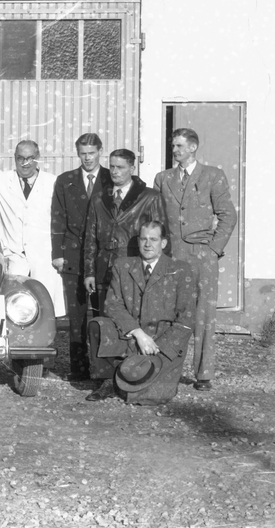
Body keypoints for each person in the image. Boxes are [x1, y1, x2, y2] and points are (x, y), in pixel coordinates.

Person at [153, 128, 238, 392]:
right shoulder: (163, 178)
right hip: (171, 255)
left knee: (203, 316)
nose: (175, 150)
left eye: (179, 146)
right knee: (168, 312)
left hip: (202, 257)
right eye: (173, 146)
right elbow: (156, 217)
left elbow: (228, 215)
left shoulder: (212, 175)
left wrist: (213, 249)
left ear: (193, 147)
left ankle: (203, 374)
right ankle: (166, 368)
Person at [85, 221, 197, 404]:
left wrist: (159, 346)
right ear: (138, 241)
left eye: (153, 239)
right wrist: (138, 333)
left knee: (153, 394)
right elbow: (112, 305)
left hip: (162, 340)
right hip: (130, 335)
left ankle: (129, 379)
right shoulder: (123, 266)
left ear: (163, 243)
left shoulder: (180, 269)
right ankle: (108, 380)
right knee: (97, 325)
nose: (148, 244)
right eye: (144, 239)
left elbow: (187, 318)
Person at [0, 140, 66, 318]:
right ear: (14, 158)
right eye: (20, 158)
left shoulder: (53, 182)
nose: (25, 163)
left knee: (45, 308)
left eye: (30, 158)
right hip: (14, 254)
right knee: (12, 306)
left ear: (38, 158)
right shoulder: (3, 180)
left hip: (43, 255)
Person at [50, 133, 112, 379]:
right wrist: (58, 253)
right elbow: (58, 217)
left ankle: (102, 368)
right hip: (74, 255)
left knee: (102, 313)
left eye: (92, 153)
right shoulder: (66, 181)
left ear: (100, 152)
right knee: (76, 317)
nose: (87, 158)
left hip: (101, 256)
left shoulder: (111, 177)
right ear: (77, 154)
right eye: (83, 154)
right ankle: (79, 368)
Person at [82, 149, 165, 309]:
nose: (114, 171)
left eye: (120, 167)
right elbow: (90, 239)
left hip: (136, 270)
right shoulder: (98, 199)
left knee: (133, 318)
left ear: (132, 169)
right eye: (112, 166)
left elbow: (161, 239)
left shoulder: (150, 197)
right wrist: (89, 272)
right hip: (103, 272)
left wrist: (158, 274)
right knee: (104, 318)